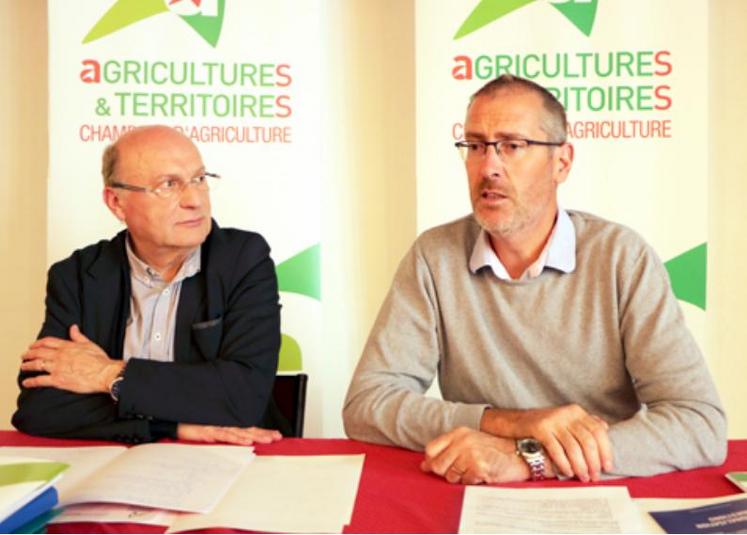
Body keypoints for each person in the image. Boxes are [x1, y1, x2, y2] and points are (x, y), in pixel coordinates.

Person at [343, 75, 726, 484]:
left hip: (600, 489)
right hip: (478, 489)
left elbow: (699, 423)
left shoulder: (621, 257)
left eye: (512, 146)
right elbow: (367, 404)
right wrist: (510, 423)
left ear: (561, 162)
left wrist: (527, 459)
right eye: (475, 146)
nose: (488, 167)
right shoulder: (434, 256)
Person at [13, 125, 282, 446]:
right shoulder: (78, 275)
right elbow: (41, 407)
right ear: (116, 202)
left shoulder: (243, 259)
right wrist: (170, 428)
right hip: (119, 467)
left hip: (230, 457)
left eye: (199, 179)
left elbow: (241, 397)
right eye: (169, 185)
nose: (195, 200)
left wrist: (107, 375)